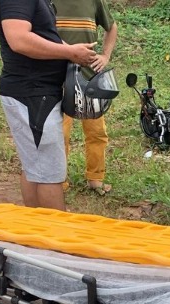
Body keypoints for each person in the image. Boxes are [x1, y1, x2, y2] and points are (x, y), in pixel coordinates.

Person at [0, 0, 98, 211]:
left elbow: (43, 35)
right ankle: (54, 238)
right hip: (32, 93)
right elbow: (19, 39)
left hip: (36, 93)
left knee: (34, 166)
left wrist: (74, 52)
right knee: (49, 172)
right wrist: (69, 53)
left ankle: (36, 232)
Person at [54, 0, 118, 195]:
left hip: (89, 78)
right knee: (59, 133)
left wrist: (105, 56)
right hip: (56, 77)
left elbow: (111, 26)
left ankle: (95, 179)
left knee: (97, 131)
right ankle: (58, 182)